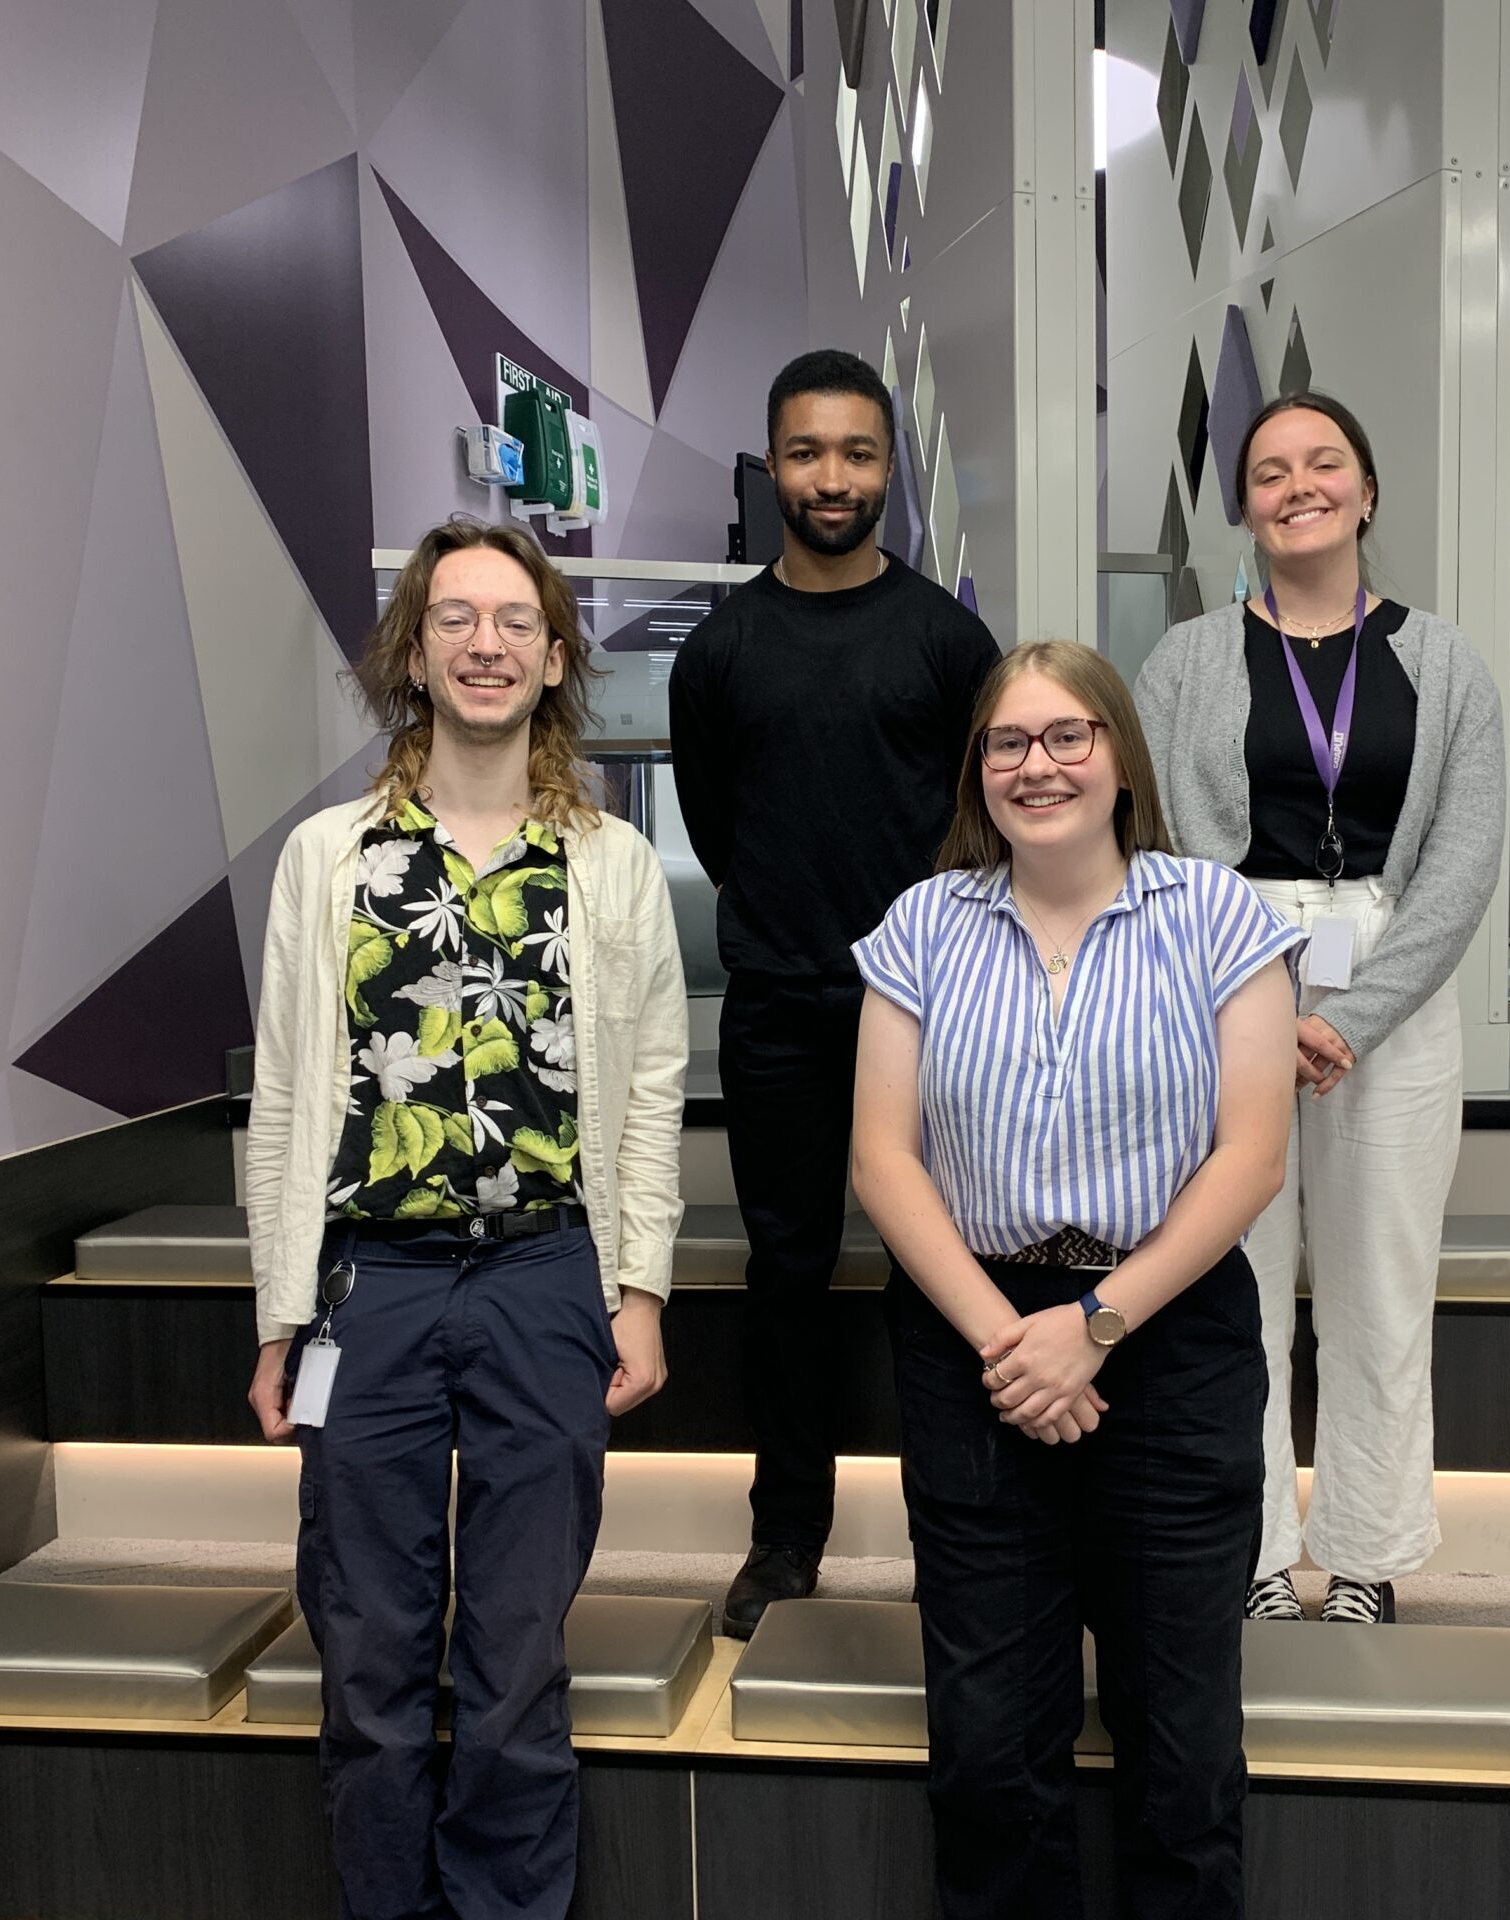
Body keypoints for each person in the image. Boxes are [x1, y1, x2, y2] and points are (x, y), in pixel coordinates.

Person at [244, 518, 687, 1920]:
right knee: (368, 1666)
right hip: (369, 1288)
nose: (484, 644)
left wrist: (643, 1290)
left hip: (546, 1280)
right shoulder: (328, 860)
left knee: (511, 1668)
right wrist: (279, 1316)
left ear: (554, 659)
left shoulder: (610, 867)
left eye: (513, 622)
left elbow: (651, 1092)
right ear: (415, 655)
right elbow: (279, 1097)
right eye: (455, 620)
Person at [851, 641, 1301, 1919]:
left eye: (1067, 737)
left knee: (1181, 1748)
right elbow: (883, 1161)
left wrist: (1094, 1326)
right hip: (971, 1338)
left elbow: (1253, 1155)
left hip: (1167, 1333)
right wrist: (1017, 1345)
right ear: (976, 770)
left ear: (1119, 756)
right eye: (1008, 743)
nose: (1036, 765)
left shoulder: (1217, 913)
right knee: (990, 1748)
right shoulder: (923, 924)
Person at [1137, 391, 1504, 1626]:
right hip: (1222, 985)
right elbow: (1160, 848)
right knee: (1227, 1285)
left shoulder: (1444, 661)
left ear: (1367, 490)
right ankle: (1243, 1548)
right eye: (1270, 470)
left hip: (1392, 995)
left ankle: (1365, 1551)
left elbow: (1460, 863)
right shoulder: (1185, 660)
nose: (1298, 485)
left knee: (1382, 1283)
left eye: (1324, 463)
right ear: (1242, 503)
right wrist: (1259, 1000)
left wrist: (1351, 1015)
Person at [669, 347, 1001, 1636]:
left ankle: (963, 1529)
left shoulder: (945, 639)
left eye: (858, 454)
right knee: (787, 1275)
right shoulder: (721, 649)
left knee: (952, 1269)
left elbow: (987, 814)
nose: (831, 477)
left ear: (888, 471)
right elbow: (714, 823)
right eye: (806, 452)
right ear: (771, 466)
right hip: (778, 1011)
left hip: (929, 1005)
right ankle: (784, 1537)